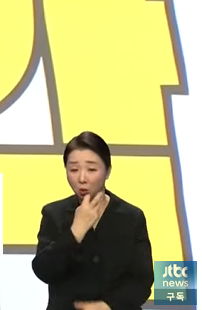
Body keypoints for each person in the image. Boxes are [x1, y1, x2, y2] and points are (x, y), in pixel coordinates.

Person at [31, 131, 154, 310]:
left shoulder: (131, 217)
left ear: (108, 171)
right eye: (73, 170)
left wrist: (107, 306)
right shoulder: (53, 214)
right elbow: (44, 271)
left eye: (91, 170)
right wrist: (76, 231)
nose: (82, 178)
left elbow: (142, 281)